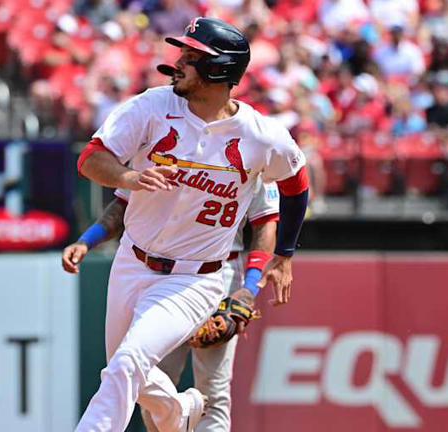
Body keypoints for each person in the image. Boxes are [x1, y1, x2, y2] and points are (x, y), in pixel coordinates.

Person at [73, 17, 309, 432]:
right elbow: (90, 158)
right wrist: (126, 177)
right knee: (126, 370)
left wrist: (283, 255)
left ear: (219, 70)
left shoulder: (260, 136)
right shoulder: (152, 106)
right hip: (133, 261)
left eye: (192, 56)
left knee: (129, 363)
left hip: (195, 278)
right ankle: (177, 414)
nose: (179, 61)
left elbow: (296, 185)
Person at [62, 179, 278, 431]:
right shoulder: (163, 143)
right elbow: (123, 203)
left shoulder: (257, 144)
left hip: (218, 271)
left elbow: (266, 223)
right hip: (159, 273)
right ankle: (179, 411)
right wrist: (87, 240)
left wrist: (249, 289)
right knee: (144, 375)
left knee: (214, 388)